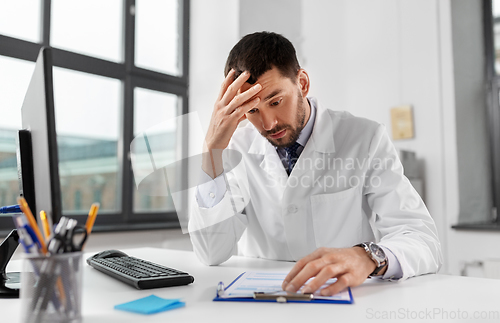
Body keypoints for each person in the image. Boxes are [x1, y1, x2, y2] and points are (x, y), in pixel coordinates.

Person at [188, 31, 442, 296]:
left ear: (303, 83)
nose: (268, 123)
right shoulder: (235, 148)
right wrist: (211, 151)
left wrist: (367, 257)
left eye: (276, 101)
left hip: (340, 298)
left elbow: (423, 240)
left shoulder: (364, 138)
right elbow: (210, 252)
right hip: (264, 305)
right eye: (252, 110)